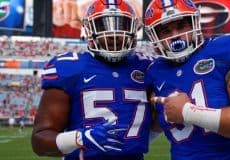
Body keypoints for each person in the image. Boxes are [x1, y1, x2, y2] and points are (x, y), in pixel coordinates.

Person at [144, 0, 230, 159]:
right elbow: (150, 129)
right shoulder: (154, 72)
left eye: (181, 26)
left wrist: (189, 112)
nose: (175, 36)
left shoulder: (226, 47)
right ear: (154, 36)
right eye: (166, 31)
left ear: (195, 23)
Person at [31, 0, 154, 160]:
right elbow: (39, 141)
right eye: (103, 25)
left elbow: (159, 120)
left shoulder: (147, 67)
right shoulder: (70, 68)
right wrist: (79, 139)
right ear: (90, 31)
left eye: (121, 24)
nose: (113, 33)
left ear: (132, 29)